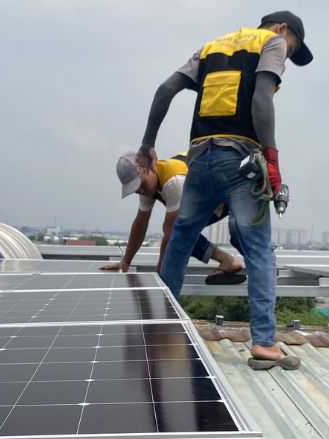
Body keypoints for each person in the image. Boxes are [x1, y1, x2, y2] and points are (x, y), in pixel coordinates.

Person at [135, 11, 312, 370]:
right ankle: (264, 343)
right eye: (293, 49)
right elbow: (262, 98)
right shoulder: (271, 41)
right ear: (282, 29)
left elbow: (165, 89)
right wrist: (272, 157)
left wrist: (147, 144)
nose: (288, 55)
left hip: (199, 159)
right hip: (241, 159)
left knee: (181, 238)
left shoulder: (210, 48)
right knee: (259, 249)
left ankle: (161, 324)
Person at [101, 152, 245, 284]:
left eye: (140, 184)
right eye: (135, 189)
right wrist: (126, 262)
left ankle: (235, 263)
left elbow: (171, 235)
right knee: (180, 232)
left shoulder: (174, 181)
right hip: (208, 194)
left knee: (179, 233)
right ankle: (227, 261)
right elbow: (140, 223)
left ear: (150, 168)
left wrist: (159, 276)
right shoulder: (148, 184)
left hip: (229, 190)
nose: (140, 191)